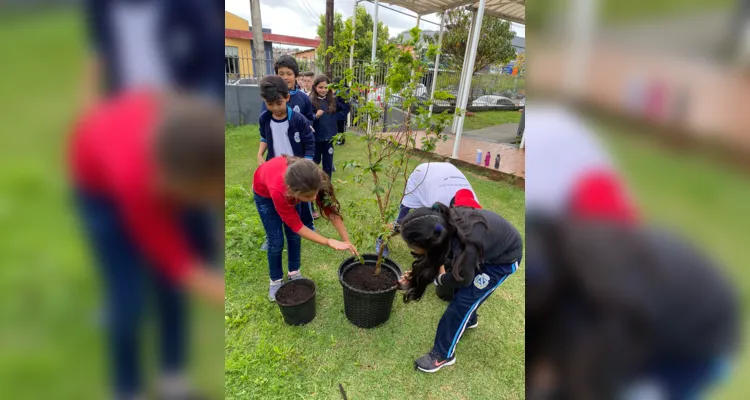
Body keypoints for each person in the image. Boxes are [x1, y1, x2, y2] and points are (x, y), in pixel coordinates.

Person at [69, 90, 225, 399]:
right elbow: (173, 258)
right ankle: (127, 389)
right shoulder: (136, 178)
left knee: (171, 290)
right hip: (101, 195)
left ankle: (173, 380)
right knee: (127, 298)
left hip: (160, 166)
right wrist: (215, 289)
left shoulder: (195, 136)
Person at [398, 204, 523, 373]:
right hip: (484, 250)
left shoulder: (466, 246)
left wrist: (441, 279)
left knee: (462, 302)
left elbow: (462, 279)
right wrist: (416, 275)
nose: (411, 249)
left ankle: (443, 355)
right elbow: (438, 256)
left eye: (412, 246)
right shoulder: (442, 226)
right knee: (461, 294)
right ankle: (469, 320)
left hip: (501, 261)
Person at [253, 156, 358, 301]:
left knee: (294, 237)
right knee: (276, 241)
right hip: (264, 193)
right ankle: (276, 280)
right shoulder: (280, 190)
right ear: (292, 192)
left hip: (292, 189)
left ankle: (294, 272)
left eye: (315, 193)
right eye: (309, 196)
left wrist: (347, 242)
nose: (315, 198)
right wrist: (328, 241)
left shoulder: (312, 179)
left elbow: (332, 214)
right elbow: (296, 226)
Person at [258, 55, 315, 246]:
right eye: (280, 73)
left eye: (288, 73)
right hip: (276, 162)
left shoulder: (300, 103)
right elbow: (264, 135)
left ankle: (306, 224)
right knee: (278, 195)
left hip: (297, 162)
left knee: (301, 195)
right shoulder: (266, 114)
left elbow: (308, 126)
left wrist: (306, 161)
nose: (285, 76)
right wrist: (260, 154)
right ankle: (273, 233)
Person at [376, 162, 479, 258]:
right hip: (422, 176)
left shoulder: (475, 205)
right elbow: (437, 229)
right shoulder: (439, 204)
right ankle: (381, 239)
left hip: (447, 173)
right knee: (402, 221)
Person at [309, 75, 338, 179]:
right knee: (314, 164)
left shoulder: (333, 100)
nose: (323, 90)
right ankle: (314, 186)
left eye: (326, 87)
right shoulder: (310, 101)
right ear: (315, 87)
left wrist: (336, 119)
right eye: (320, 87)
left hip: (329, 139)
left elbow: (344, 109)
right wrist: (315, 116)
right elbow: (307, 118)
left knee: (328, 165)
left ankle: (327, 188)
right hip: (316, 139)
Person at [332, 76, 351, 146]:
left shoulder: (344, 92)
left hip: (341, 113)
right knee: (337, 127)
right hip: (337, 113)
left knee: (341, 127)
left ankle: (341, 141)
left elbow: (346, 105)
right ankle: (337, 139)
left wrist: (342, 113)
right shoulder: (337, 91)